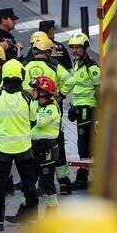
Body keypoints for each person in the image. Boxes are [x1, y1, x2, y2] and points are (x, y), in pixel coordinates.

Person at [0, 59, 38, 231]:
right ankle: (32, 219)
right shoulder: (27, 97)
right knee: (29, 183)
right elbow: (34, 120)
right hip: (24, 148)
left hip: (2, 148)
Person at [24, 36, 73, 196]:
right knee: (57, 149)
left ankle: (39, 184)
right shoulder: (54, 65)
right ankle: (63, 182)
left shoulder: (24, 66)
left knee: (33, 152)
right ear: (47, 51)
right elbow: (70, 80)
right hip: (51, 109)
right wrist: (60, 95)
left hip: (30, 111)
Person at [63, 34, 101, 191]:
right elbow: (71, 84)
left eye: (77, 47)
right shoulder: (77, 65)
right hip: (80, 109)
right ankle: (86, 175)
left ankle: (82, 178)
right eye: (72, 48)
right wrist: (57, 95)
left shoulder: (91, 67)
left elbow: (100, 90)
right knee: (83, 143)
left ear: (85, 48)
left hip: (88, 109)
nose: (74, 50)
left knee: (84, 143)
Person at [30, 77, 62, 212]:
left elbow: (39, 122)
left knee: (46, 182)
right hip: (36, 147)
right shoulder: (38, 105)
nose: (33, 92)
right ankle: (25, 210)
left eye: (35, 90)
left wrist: (31, 102)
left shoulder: (52, 108)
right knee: (30, 179)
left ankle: (52, 210)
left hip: (48, 148)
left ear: (43, 92)